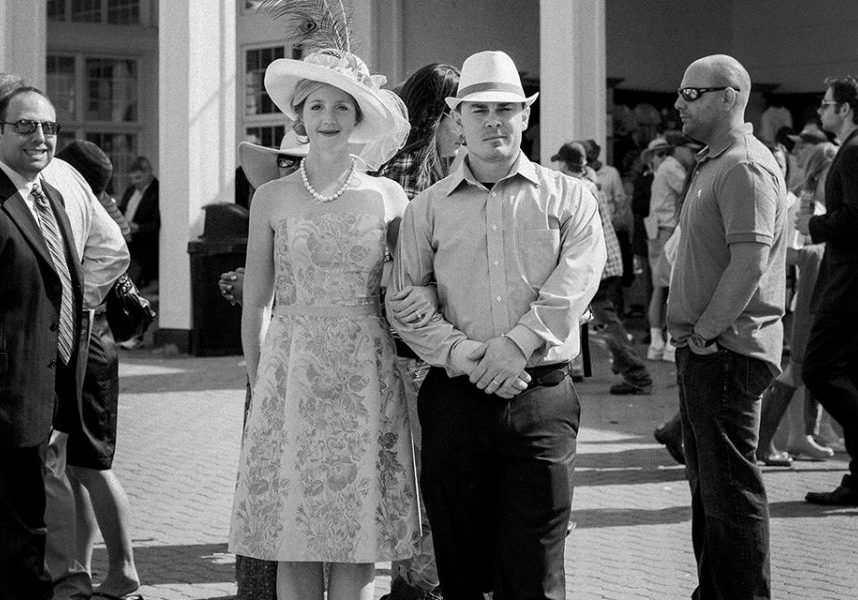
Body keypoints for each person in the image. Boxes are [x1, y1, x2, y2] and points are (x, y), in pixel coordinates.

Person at [388, 50, 606, 599]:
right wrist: (466, 356)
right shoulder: (428, 208)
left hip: (542, 398)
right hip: (455, 400)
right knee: (460, 573)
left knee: (536, 571)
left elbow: (576, 280)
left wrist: (515, 347)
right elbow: (405, 300)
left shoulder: (569, 197)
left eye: (506, 109)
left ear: (526, 116)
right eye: (479, 109)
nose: (493, 121)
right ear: (457, 118)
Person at [228, 48, 420, 600]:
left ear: (358, 117)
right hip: (292, 371)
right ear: (300, 116)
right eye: (316, 105)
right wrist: (260, 377)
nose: (329, 117)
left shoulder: (388, 196)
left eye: (342, 106)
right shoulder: (271, 197)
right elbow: (257, 300)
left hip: (366, 370)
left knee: (356, 533)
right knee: (295, 530)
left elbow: (405, 292)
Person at [668, 54, 787, 600]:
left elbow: (750, 262)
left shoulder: (743, 165)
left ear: (729, 97)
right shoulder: (714, 161)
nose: (678, 103)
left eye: (691, 94)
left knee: (730, 494)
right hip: (710, 349)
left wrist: (706, 334)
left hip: (726, 351)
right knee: (710, 491)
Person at [378, 62, 461, 600]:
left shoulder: (408, 163)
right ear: (440, 112)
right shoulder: (415, 172)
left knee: (419, 462)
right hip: (422, 339)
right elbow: (410, 260)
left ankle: (418, 575)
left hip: (414, 336)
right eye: (460, 111)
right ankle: (418, 579)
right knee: (434, 464)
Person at [0, 85, 86, 600]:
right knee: (19, 547)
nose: (40, 137)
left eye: (49, 127)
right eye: (25, 125)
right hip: (6, 400)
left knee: (26, 534)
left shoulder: (48, 195)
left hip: (42, 397)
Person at [55, 140, 142, 598]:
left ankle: (123, 570)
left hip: (90, 342)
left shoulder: (82, 204)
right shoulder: (100, 205)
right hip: (92, 341)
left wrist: (70, 307)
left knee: (91, 464)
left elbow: (111, 256)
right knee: (77, 466)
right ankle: (82, 568)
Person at [756, 142, 838, 467]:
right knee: (795, 368)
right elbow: (788, 253)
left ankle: (805, 434)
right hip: (803, 296)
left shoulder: (823, 204)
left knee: (803, 370)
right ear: (820, 171)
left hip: (818, 295)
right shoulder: (804, 205)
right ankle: (778, 440)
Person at [798, 76, 858, 505]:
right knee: (849, 374)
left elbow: (855, 218)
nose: (820, 111)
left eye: (825, 104)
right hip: (848, 281)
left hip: (850, 285)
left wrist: (814, 226)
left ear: (846, 109)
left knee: (818, 369)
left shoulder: (853, 153)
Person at [552, 141, 653, 395]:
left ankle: (636, 373)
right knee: (598, 319)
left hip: (595, 265)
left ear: (564, 164)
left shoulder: (577, 189)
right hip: (606, 262)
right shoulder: (590, 184)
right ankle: (607, 365)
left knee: (606, 322)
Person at [118, 156, 159, 288]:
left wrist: (138, 228)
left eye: (138, 178)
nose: (135, 182)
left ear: (149, 173)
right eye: (132, 178)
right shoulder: (131, 191)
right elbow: (122, 209)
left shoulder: (157, 191)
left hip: (146, 248)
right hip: (128, 243)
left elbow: (157, 222)